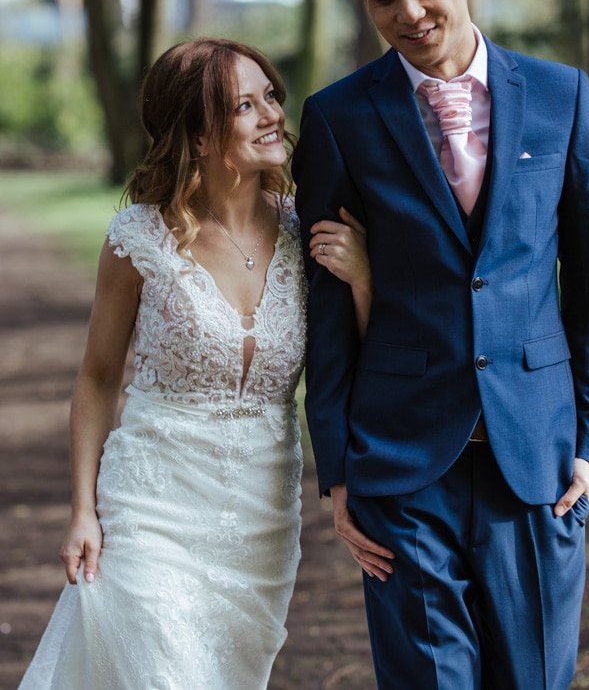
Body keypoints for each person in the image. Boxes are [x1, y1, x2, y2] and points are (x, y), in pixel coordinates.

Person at [292, 0, 589, 688]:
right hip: (400, 463)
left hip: (535, 463)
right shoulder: (338, 119)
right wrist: (338, 470)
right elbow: (326, 306)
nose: (410, 13)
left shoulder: (564, 98)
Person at [18, 37, 372, 690]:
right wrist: (81, 509)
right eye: (245, 104)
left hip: (261, 518)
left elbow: (358, 357)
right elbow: (97, 379)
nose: (272, 115)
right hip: (150, 506)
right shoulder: (138, 241)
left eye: (271, 96)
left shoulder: (307, 231)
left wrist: (363, 281)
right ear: (198, 136)